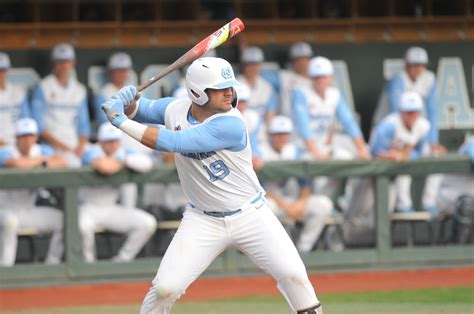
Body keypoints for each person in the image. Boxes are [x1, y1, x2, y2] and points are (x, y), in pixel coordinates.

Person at [101, 57, 323, 314]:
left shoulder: (232, 123)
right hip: (202, 219)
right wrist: (129, 103)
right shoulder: (175, 108)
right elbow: (143, 110)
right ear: (197, 92)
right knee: (165, 289)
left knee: (294, 275)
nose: (229, 92)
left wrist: (120, 121)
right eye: (220, 88)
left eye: (230, 86)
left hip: (251, 215)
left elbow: (172, 142)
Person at [79, 123, 157, 263]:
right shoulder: (91, 151)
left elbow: (147, 163)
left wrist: (122, 160)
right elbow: (104, 167)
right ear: (100, 141)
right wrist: (120, 163)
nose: (112, 144)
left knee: (147, 223)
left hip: (110, 208)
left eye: (114, 140)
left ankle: (122, 260)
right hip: (87, 207)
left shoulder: (123, 153)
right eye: (108, 141)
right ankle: (88, 264)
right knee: (83, 227)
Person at [260, 115, 334, 253]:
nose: (281, 137)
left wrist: (301, 202)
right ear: (270, 135)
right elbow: (258, 189)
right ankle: (274, 253)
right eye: (277, 134)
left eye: (285, 134)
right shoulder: (260, 152)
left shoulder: (294, 151)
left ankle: (303, 249)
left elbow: (305, 183)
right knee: (264, 207)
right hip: (271, 202)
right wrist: (286, 206)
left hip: (292, 201)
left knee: (323, 204)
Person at [0, 118, 66, 266]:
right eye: (23, 136)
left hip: (28, 210)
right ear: (16, 138)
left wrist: (40, 161)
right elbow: (17, 164)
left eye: (30, 135)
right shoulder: (5, 151)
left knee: (63, 220)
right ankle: (5, 268)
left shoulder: (41, 150)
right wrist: (42, 162)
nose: (27, 140)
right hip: (5, 210)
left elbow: (62, 161)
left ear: (36, 136)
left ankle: (52, 264)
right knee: (10, 222)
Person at [373, 46, 446, 155]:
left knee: (419, 154)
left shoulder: (428, 78)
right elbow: (396, 113)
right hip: (386, 126)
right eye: (415, 65)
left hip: (408, 128)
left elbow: (432, 112)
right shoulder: (398, 80)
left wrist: (433, 141)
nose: (419, 69)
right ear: (407, 66)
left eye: (422, 65)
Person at [31, 42, 91, 167]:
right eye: (60, 62)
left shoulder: (79, 90)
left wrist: (80, 146)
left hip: (74, 145)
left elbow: (84, 126)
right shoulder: (43, 87)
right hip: (50, 145)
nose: (63, 65)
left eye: (67, 61)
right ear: (54, 63)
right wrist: (62, 146)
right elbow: (39, 127)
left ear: (73, 62)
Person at [236, 46, 278, 123]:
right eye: (249, 64)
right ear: (243, 65)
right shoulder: (235, 83)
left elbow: (270, 113)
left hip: (262, 129)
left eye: (255, 64)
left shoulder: (267, 86)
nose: (253, 67)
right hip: (241, 124)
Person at [94, 52, 134, 126]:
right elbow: (103, 123)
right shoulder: (103, 93)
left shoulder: (135, 91)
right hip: (112, 134)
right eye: (117, 70)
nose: (121, 74)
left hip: (132, 134)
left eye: (124, 70)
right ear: (111, 72)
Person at [0, 52, 31, 147]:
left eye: (3, 70)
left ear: (8, 70)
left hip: (18, 144)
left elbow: (26, 121)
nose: (1, 73)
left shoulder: (18, 92)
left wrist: (23, 142)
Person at [278, 42, 313, 117]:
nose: (301, 62)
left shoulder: (317, 79)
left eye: (304, 58)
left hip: (311, 121)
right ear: (292, 62)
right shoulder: (284, 77)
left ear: (309, 60)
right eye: (297, 59)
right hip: (288, 123)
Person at [234, 83, 264, 170]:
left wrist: (256, 155)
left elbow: (253, 142)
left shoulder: (253, 116)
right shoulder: (224, 116)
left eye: (243, 101)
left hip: (247, 155)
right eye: (238, 101)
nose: (240, 105)